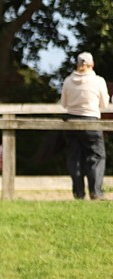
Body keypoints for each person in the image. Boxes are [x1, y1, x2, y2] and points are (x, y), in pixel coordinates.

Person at [59, 51, 109, 200]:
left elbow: (63, 104)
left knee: (74, 157)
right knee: (96, 156)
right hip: (91, 121)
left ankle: (79, 194)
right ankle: (95, 192)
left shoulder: (68, 81)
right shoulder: (98, 81)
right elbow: (104, 104)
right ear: (92, 64)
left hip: (71, 122)